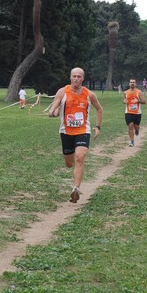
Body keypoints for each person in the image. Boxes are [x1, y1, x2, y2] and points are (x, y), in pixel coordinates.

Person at [48, 67, 103, 203]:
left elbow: (99, 109)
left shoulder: (89, 94)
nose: (76, 79)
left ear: (83, 78)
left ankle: (76, 189)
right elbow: (52, 110)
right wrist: (54, 112)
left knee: (79, 157)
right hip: (66, 131)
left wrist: (97, 126)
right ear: (70, 77)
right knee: (69, 163)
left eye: (79, 76)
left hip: (83, 131)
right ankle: (75, 174)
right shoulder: (63, 92)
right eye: (74, 76)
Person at [123, 78, 146, 147]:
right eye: (131, 82)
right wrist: (124, 101)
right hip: (128, 112)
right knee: (130, 126)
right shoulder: (125, 92)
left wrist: (138, 101)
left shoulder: (139, 92)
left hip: (137, 113)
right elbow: (124, 100)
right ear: (129, 84)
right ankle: (132, 141)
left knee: (136, 126)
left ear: (135, 84)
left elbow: (144, 102)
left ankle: (137, 130)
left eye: (133, 82)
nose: (132, 83)